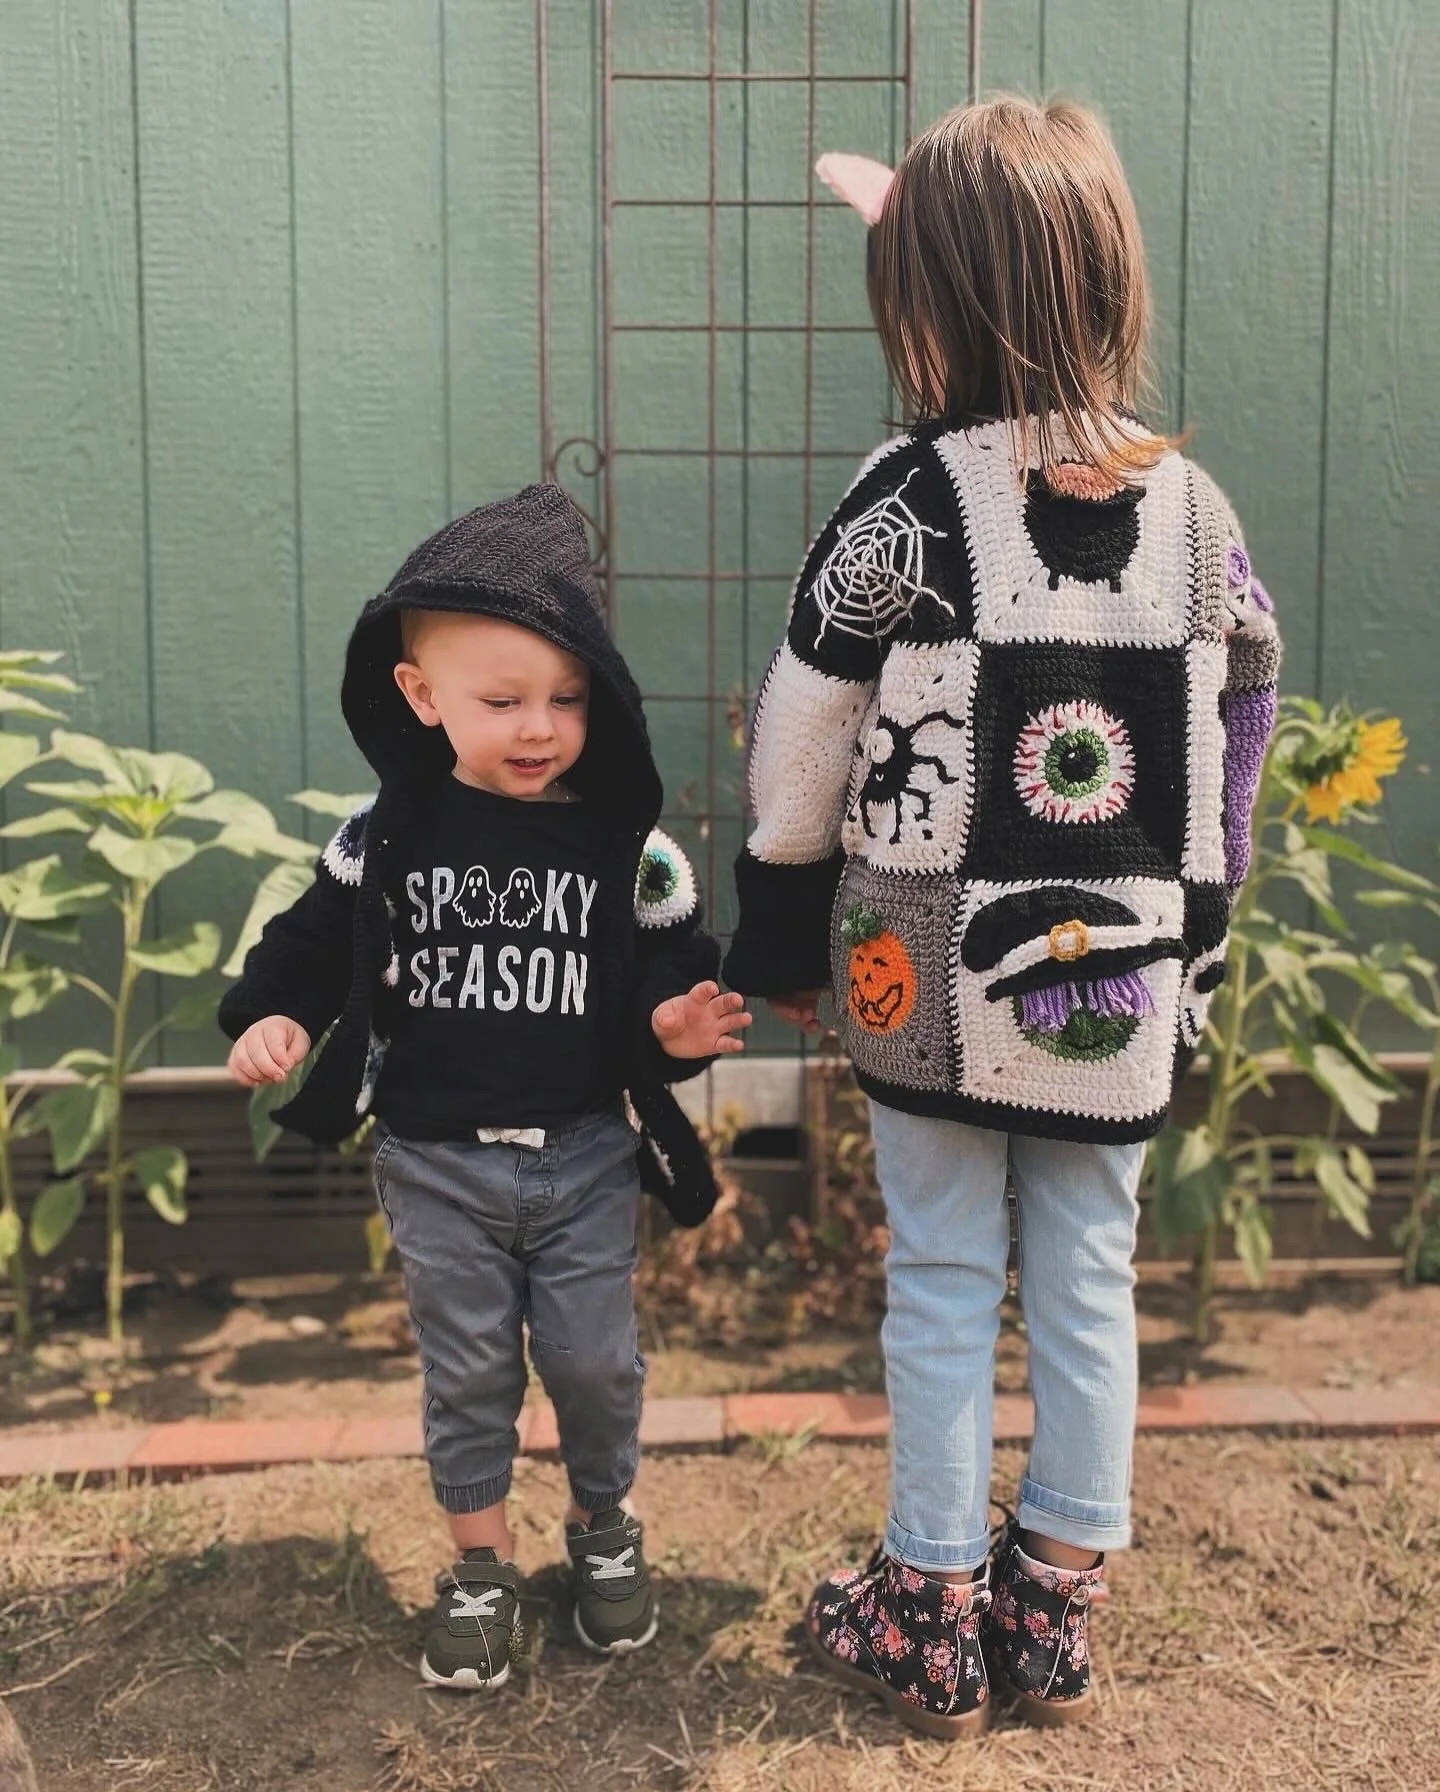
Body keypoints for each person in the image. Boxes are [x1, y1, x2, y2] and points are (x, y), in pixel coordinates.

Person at [723, 96, 1280, 1737]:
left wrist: (776, 931)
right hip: (1122, 979)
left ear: (928, 306)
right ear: (1109, 278)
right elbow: (1242, 727)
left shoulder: (905, 502)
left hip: (929, 983)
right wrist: (1206, 918)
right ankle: (1055, 1603)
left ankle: (931, 1601)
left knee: (948, 1272)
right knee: (1090, 1270)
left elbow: (807, 733)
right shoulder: (1198, 511)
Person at [222, 483, 751, 1691]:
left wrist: (671, 1021)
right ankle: (478, 1565)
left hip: (580, 1156)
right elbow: (310, 941)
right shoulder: (391, 831)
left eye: (567, 698)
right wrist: (275, 1016)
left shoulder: (626, 844)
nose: (539, 727)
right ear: (422, 697)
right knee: (467, 1370)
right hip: (437, 1160)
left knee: (593, 1363)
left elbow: (663, 975)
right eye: (502, 700)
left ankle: (605, 1529)